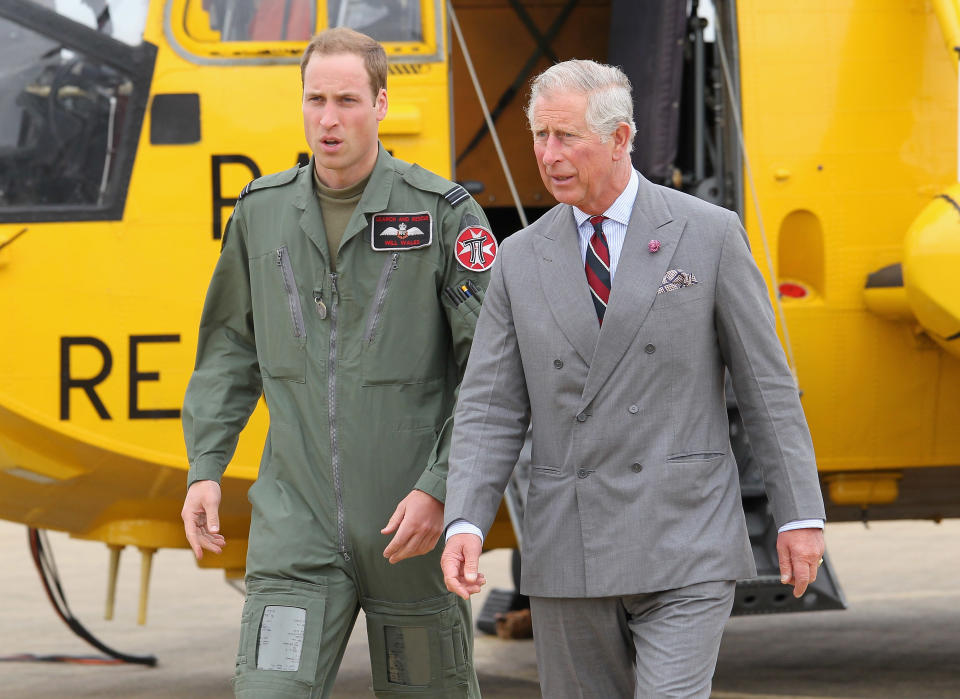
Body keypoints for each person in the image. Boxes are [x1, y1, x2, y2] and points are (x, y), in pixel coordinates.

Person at [441, 59, 826, 699]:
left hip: (686, 535)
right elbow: (490, 408)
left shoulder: (708, 235)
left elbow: (767, 389)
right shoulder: (518, 259)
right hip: (569, 546)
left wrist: (798, 515)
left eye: (567, 137)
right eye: (539, 136)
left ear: (621, 139)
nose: (548, 154)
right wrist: (466, 523)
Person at [180, 27, 495, 698]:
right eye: (315, 99)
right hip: (296, 528)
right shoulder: (261, 214)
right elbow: (228, 348)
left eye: (348, 99)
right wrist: (205, 466)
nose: (329, 118)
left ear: (381, 104)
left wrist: (440, 485)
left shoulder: (442, 215)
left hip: (410, 530)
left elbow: (491, 372)